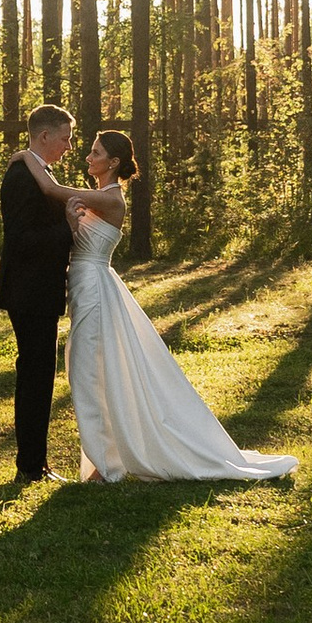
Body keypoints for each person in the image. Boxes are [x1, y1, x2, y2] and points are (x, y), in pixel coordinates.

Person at [62, 129, 295, 485]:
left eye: (95, 153)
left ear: (113, 162)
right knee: (92, 371)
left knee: (89, 373)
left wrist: (27, 160)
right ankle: (103, 462)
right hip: (84, 283)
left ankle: (104, 469)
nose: (88, 158)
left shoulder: (111, 199)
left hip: (93, 286)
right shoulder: (96, 197)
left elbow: (52, 190)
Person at [0, 106, 80, 482]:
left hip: (40, 290)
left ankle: (35, 462)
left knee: (39, 375)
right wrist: (67, 228)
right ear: (44, 136)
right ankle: (30, 466)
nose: (69, 145)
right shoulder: (20, 175)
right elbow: (21, 238)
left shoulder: (37, 169)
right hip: (28, 292)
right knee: (34, 376)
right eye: (65, 137)